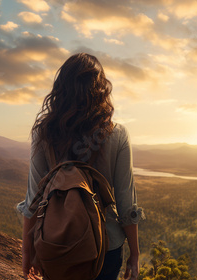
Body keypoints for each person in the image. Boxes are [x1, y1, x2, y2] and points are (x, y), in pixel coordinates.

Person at [16, 53, 144, 280]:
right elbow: (127, 205)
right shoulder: (117, 134)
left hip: (57, 244)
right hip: (106, 246)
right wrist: (134, 255)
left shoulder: (44, 133)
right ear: (101, 88)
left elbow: (33, 199)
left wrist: (28, 253)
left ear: (61, 88)